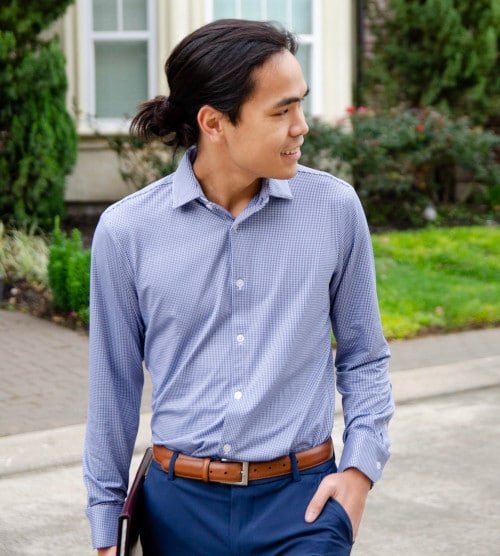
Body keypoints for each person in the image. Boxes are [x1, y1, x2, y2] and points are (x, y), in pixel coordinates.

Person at [83, 18, 394, 556]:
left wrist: (359, 474)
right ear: (214, 122)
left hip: (305, 507)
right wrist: (106, 529)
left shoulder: (335, 210)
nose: (302, 126)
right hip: (176, 511)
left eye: (301, 104)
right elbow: (113, 387)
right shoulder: (127, 231)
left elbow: (364, 358)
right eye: (282, 111)